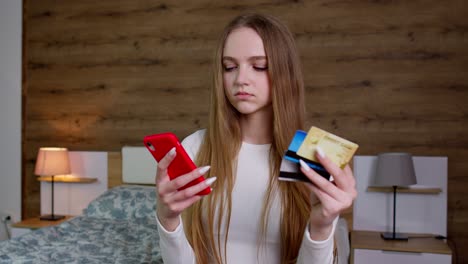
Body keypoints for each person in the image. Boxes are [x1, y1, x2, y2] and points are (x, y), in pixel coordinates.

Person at [154, 13, 357, 264]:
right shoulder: (195, 147)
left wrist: (322, 227)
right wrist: (168, 220)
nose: (240, 80)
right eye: (230, 67)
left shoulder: (313, 155)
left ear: (284, 72)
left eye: (259, 66)